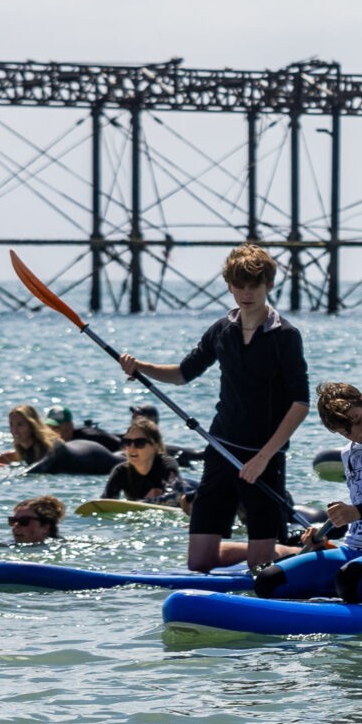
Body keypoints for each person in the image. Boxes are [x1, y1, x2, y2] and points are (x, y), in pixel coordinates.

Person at [116, 244, 309, 575]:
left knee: (260, 568)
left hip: (263, 459)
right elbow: (182, 374)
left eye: (254, 286)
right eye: (239, 286)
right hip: (220, 449)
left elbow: (300, 403)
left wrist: (263, 457)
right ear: (230, 287)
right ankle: (285, 550)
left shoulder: (285, 336)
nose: (246, 293)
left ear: (268, 286)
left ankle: (289, 551)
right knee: (200, 562)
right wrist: (140, 367)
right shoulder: (222, 330)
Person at [254, 384, 362, 605]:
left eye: (356, 420)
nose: (357, 433)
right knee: (268, 581)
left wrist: (355, 512)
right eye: (346, 432)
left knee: (349, 578)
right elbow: (361, 510)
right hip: (351, 551)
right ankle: (343, 590)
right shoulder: (348, 453)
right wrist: (324, 536)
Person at [100, 417, 187, 505]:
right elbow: (105, 502)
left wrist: (144, 502)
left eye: (139, 443)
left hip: (188, 488)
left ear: (155, 446)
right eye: (127, 442)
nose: (131, 448)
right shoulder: (121, 471)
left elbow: (177, 496)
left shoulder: (166, 465)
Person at [45, 405, 122, 452]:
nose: (52, 432)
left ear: (70, 426)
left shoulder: (91, 437)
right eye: (49, 428)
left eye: (56, 428)